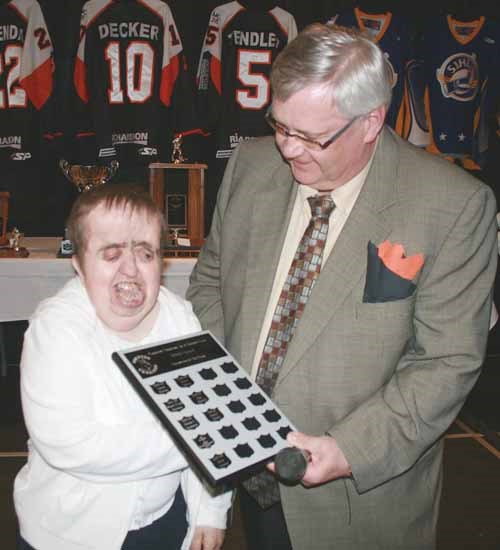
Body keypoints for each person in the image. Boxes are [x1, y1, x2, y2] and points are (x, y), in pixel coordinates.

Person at [186, 23, 498, 550]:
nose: (288, 150)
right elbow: (212, 280)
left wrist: (348, 449)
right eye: (281, 125)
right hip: (246, 477)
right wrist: (226, 400)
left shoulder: (453, 206)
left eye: (311, 137)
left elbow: (446, 361)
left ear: (372, 120)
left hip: (358, 503)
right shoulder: (250, 165)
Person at [14, 184, 231, 550]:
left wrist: (211, 510)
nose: (130, 269)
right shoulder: (55, 329)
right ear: (79, 264)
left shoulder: (179, 318)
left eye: (145, 254)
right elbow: (74, 445)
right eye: (111, 253)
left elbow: (207, 412)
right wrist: (203, 437)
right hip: (69, 534)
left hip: (164, 522)